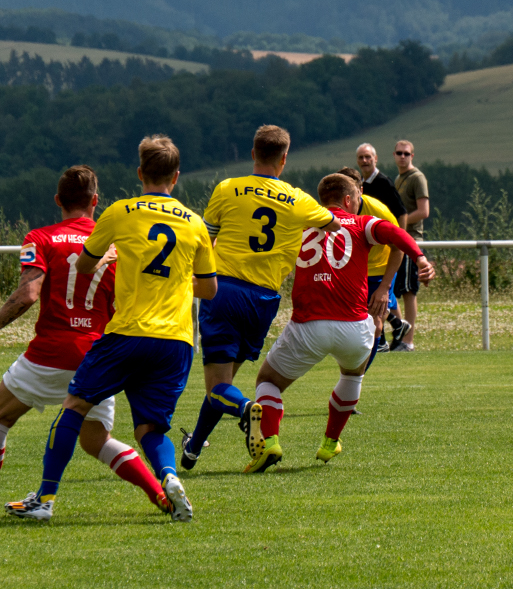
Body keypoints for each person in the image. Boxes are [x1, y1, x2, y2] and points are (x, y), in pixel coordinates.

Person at [6, 136, 217, 522]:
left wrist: (107, 258)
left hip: (128, 332)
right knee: (150, 427)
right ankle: (168, 476)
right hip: (176, 340)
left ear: (140, 173)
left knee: (75, 406)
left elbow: (83, 267)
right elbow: (210, 289)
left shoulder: (120, 212)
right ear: (177, 176)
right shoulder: (196, 223)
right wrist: (178, 282)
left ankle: (46, 499)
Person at [0, 166, 169, 519]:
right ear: (96, 201)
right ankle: (160, 494)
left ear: (57, 201)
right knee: (96, 440)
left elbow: (27, 295)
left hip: (48, 354)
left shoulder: (41, 238)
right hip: (96, 356)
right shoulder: (115, 246)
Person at [245, 173, 435, 472]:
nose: (359, 202)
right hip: (354, 326)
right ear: (349, 200)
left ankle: (269, 441)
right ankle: (330, 442)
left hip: (308, 325)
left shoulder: (301, 223)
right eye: (357, 198)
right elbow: (398, 234)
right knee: (353, 374)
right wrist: (421, 259)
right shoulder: (361, 224)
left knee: (268, 381)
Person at [180, 125, 340, 471]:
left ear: (253, 153)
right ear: (284, 159)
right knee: (223, 384)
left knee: (219, 388)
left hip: (224, 293)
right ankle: (193, 448)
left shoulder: (227, 189)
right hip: (264, 301)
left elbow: (205, 242)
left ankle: (247, 409)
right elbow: (335, 225)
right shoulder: (298, 199)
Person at [336, 166, 400, 367]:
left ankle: (358, 375)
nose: (346, 199)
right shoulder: (333, 211)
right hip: (350, 273)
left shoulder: (379, 212)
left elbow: (398, 249)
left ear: (360, 191)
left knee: (375, 326)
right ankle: (398, 325)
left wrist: (384, 288)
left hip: (378, 272)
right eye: (341, 193)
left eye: (351, 193)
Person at [355, 144, 412, 352]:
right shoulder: (360, 184)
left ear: (375, 158)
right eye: (361, 157)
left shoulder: (383, 183)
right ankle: (396, 327)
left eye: (367, 157)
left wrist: (400, 241)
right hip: (373, 249)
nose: (364, 161)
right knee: (381, 293)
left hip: (387, 249)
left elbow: (401, 212)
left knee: (377, 294)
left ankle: (382, 340)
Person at [392, 140, 430, 351]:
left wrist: (399, 226)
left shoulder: (417, 178)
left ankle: (408, 341)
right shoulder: (399, 179)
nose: (402, 157)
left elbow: (424, 211)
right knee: (392, 290)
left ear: (412, 156)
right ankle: (399, 336)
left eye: (406, 153)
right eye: (399, 153)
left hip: (412, 241)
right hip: (400, 240)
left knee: (408, 292)